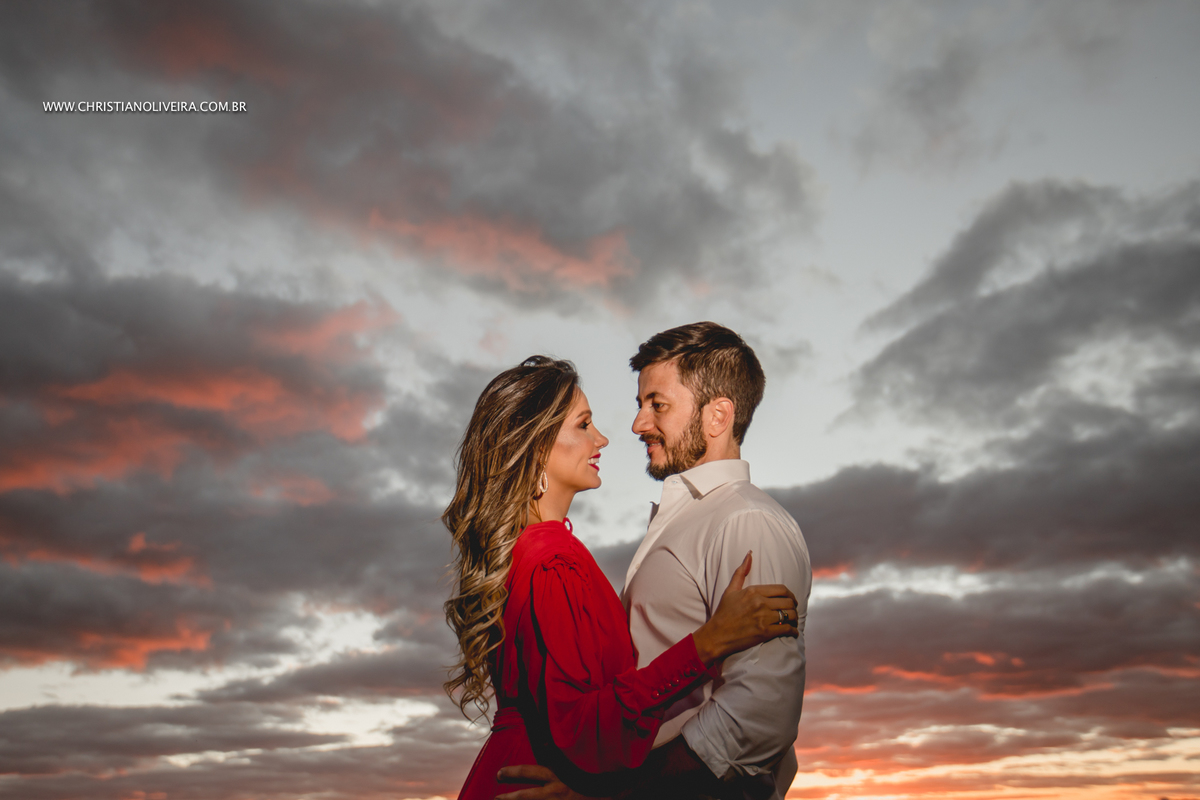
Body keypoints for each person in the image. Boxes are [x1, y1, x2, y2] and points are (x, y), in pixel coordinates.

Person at [445, 356, 801, 800]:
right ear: (536, 446)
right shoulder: (553, 561)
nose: (603, 438)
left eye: (657, 404)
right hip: (537, 783)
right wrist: (707, 644)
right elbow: (582, 726)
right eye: (583, 424)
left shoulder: (534, 551)